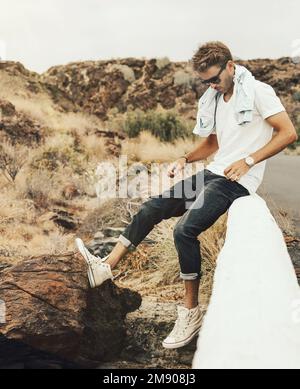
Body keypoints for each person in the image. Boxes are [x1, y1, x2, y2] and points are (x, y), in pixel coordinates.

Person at [75, 41, 298, 350]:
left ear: (230, 67)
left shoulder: (258, 91)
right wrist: (184, 159)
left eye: (214, 79)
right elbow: (213, 144)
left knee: (184, 230)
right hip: (213, 173)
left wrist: (248, 161)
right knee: (152, 207)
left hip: (235, 181)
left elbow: (288, 132)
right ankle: (106, 266)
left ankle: (190, 311)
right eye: (205, 82)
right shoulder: (219, 98)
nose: (211, 86)